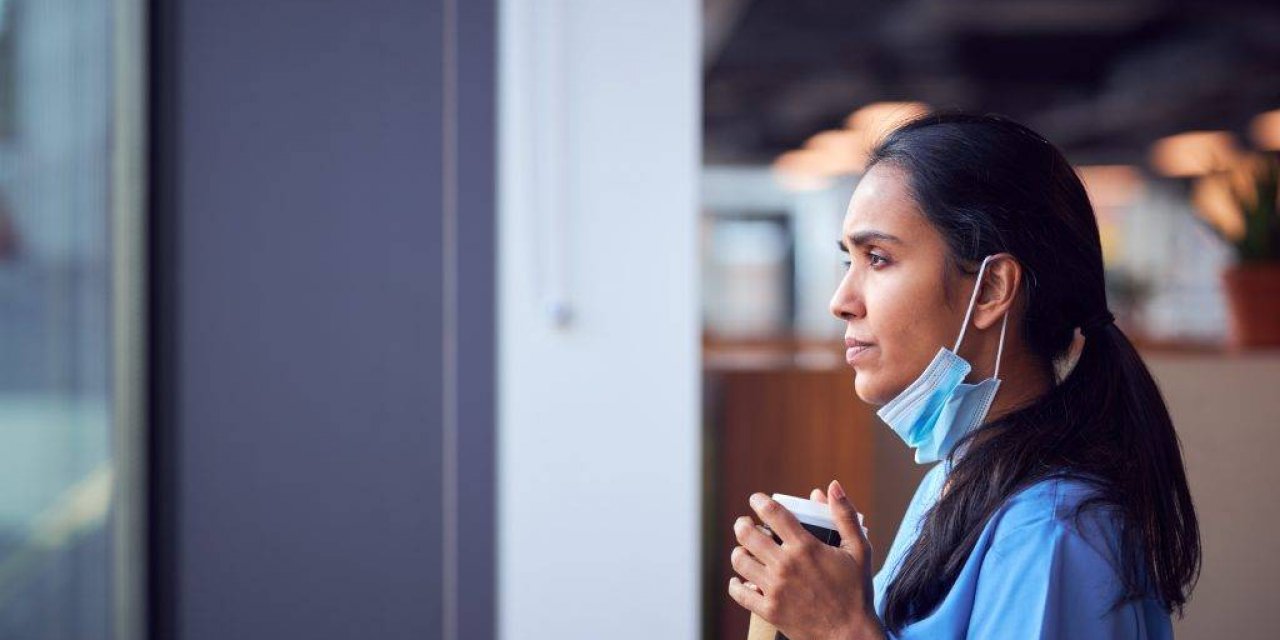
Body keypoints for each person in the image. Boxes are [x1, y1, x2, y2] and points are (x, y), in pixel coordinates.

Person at [726, 113, 1200, 639]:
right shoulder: (953, 482)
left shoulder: (1054, 531)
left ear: (993, 289)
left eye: (878, 259)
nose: (842, 302)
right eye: (849, 262)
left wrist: (842, 628)